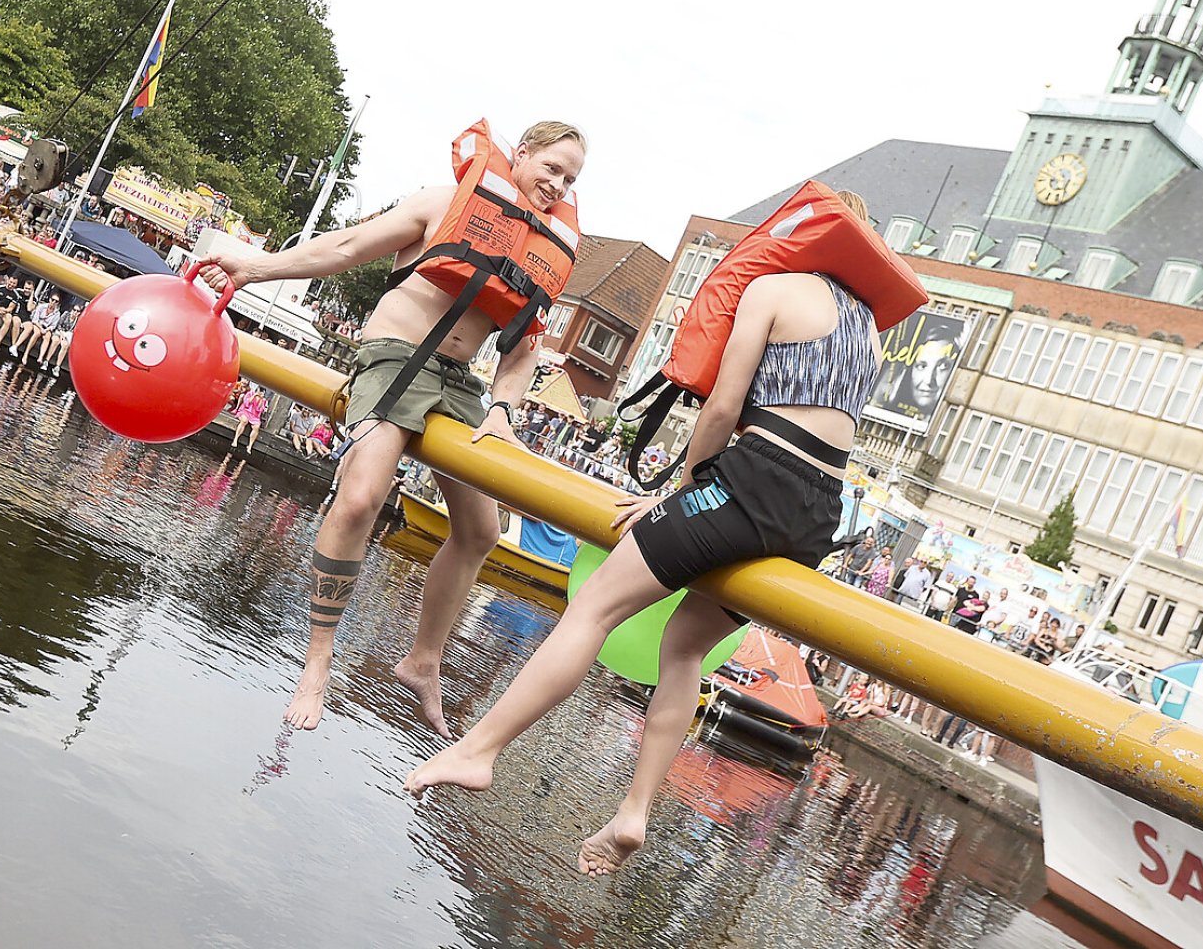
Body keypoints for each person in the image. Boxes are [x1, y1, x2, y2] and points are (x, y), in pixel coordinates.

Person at [403, 191, 884, 879]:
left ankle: (478, 750)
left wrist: (684, 487)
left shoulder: (776, 287)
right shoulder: (869, 330)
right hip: (818, 511)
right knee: (683, 651)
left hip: (752, 479)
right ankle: (634, 812)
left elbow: (721, 407)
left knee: (595, 604)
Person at [202, 119, 586, 734]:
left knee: (482, 529)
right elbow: (348, 246)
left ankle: (423, 661)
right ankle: (318, 661)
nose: (557, 184)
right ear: (522, 154)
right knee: (358, 499)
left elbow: (521, 352)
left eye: (569, 178)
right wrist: (257, 267)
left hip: (460, 382)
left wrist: (504, 410)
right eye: (551, 168)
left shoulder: (544, 249)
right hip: (394, 357)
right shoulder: (447, 203)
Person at [229, 381, 269, 453]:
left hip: (254, 415)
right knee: (244, 421)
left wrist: (261, 400)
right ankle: (235, 439)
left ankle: (250, 446)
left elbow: (259, 409)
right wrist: (254, 396)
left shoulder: (264, 400)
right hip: (245, 411)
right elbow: (247, 403)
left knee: (257, 426)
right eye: (260, 391)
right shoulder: (250, 394)